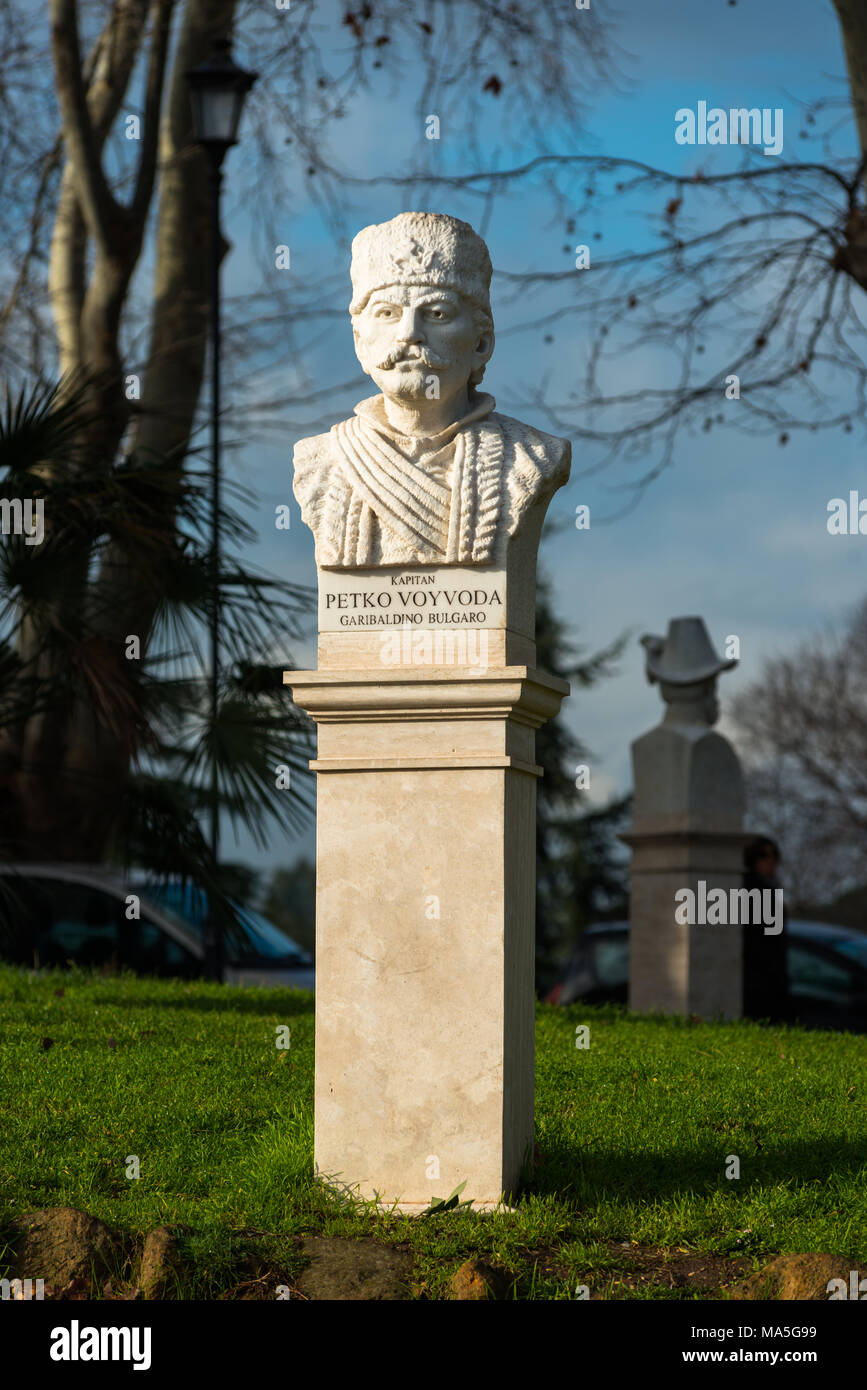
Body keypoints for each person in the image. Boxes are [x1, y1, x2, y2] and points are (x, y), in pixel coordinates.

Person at [742, 835, 789, 1022]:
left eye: (773, 855)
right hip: (757, 981)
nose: (770, 861)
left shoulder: (770, 888)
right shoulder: (752, 891)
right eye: (763, 855)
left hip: (771, 978)